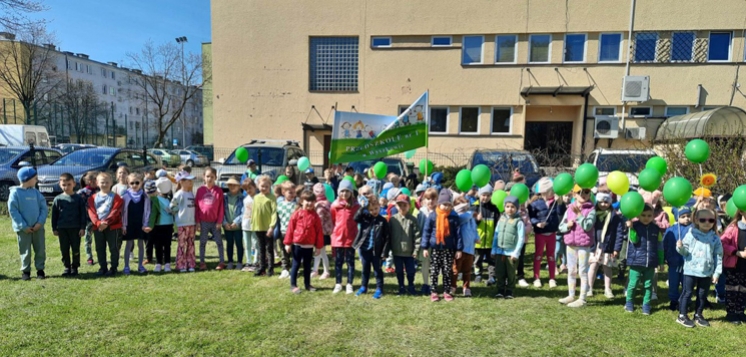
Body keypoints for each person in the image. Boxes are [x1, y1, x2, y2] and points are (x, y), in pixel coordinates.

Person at [675, 208, 723, 328]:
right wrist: (680, 247)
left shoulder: (715, 238)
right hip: (690, 270)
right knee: (687, 292)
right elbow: (685, 252)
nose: (707, 222)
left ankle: (698, 314)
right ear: (696, 220)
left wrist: (717, 273)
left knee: (702, 294)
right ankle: (682, 315)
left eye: (711, 220)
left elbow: (718, 256)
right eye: (703, 220)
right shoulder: (691, 234)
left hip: (706, 272)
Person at [617, 204, 662, 315]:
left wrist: (661, 261)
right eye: (643, 215)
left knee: (648, 285)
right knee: (633, 284)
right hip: (636, 261)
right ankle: (629, 303)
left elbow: (660, 247)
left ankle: (646, 305)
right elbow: (634, 240)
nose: (646, 218)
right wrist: (631, 228)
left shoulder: (656, 229)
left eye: (649, 215)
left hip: (650, 262)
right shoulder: (635, 226)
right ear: (638, 215)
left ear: (653, 216)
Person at [422, 189, 463, 302]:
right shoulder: (432, 216)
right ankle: (434, 291)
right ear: (439, 203)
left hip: (448, 249)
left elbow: (458, 234)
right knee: (434, 271)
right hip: (435, 248)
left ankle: (446, 291)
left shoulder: (453, 217)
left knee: (447, 271)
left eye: (448, 205)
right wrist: (425, 247)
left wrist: (459, 249)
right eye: (444, 204)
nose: (446, 207)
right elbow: (426, 231)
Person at [558, 186, 596, 308]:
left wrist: (579, 214)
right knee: (571, 271)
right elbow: (561, 227)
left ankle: (582, 299)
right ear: (574, 194)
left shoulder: (591, 209)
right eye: (579, 192)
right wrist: (567, 226)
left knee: (582, 272)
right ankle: (571, 295)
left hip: (583, 246)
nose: (583, 194)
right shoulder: (569, 208)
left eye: (586, 191)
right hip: (570, 245)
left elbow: (588, 226)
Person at [9, 167, 48, 280]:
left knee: (40, 249)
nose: (37, 180)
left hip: (38, 228)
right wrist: (23, 226)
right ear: (28, 179)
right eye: (35, 178)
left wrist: (40, 223)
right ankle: (26, 271)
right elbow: (13, 211)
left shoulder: (36, 193)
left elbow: (43, 208)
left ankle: (40, 270)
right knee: (25, 250)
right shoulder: (15, 193)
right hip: (23, 230)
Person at [282, 189, 324, 293]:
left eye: (312, 201)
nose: (309, 203)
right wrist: (287, 243)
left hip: (309, 246)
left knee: (307, 266)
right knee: (295, 265)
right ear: (301, 201)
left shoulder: (315, 216)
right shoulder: (296, 214)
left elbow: (319, 232)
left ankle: (307, 284)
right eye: (307, 200)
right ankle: (293, 285)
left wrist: (318, 247)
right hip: (297, 245)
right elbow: (290, 229)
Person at [587, 192, 624, 299]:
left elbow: (619, 233)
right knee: (593, 266)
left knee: (607, 268)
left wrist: (617, 248)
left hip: (608, 246)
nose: (603, 204)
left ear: (610, 202)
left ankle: (608, 288)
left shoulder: (615, 216)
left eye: (606, 202)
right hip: (595, 246)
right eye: (601, 202)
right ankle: (589, 287)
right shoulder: (593, 214)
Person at [352, 196, 390, 299]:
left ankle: (379, 289)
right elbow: (355, 218)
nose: (374, 211)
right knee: (365, 269)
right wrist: (362, 207)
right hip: (365, 249)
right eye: (371, 209)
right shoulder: (365, 218)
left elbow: (387, 238)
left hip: (376, 251)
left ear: (379, 207)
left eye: (376, 208)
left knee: (377, 270)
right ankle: (364, 286)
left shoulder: (382, 221)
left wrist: (384, 253)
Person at [87, 172, 124, 277]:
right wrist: (98, 223)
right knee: (100, 248)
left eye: (107, 182)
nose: (105, 184)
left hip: (113, 227)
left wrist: (106, 222)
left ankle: (113, 268)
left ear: (111, 182)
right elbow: (91, 212)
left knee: (114, 248)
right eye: (102, 182)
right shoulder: (92, 198)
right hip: (98, 227)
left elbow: (115, 211)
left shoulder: (116, 197)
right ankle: (103, 267)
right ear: (97, 183)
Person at [51, 173, 87, 277]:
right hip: (62, 228)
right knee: (64, 248)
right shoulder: (58, 199)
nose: (66, 187)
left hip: (75, 228)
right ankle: (67, 267)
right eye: (64, 185)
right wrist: (54, 228)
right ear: (60, 184)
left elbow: (82, 214)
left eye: (69, 184)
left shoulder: (78, 198)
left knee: (75, 248)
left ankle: (75, 267)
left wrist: (82, 227)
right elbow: (54, 215)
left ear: (74, 184)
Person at [528, 178, 560, 288]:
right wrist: (537, 223)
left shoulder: (556, 202)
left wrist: (559, 202)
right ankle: (536, 278)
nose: (553, 192)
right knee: (538, 255)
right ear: (545, 191)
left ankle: (552, 278)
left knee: (551, 256)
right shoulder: (535, 204)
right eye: (551, 190)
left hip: (552, 233)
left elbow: (561, 214)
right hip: (540, 234)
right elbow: (531, 217)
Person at [491, 196, 525, 299]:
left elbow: (521, 238)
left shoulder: (518, 221)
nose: (510, 209)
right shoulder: (501, 219)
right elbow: (496, 235)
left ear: (517, 208)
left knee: (510, 273)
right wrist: (494, 249)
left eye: (512, 207)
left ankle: (510, 290)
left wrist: (516, 253)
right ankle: (500, 290)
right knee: (500, 272)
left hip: (511, 253)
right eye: (507, 206)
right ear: (504, 207)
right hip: (499, 251)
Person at [331, 179, 360, 294]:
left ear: (351, 192)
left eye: (347, 191)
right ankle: (338, 283)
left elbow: (358, 220)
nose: (344, 194)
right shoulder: (335, 205)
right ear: (338, 192)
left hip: (350, 239)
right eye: (342, 191)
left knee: (350, 262)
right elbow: (333, 219)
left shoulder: (356, 206)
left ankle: (349, 284)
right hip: (338, 238)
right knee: (338, 262)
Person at [196, 167, 226, 271]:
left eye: (212, 177)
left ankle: (222, 261)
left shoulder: (219, 191)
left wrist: (219, 221)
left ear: (215, 178)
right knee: (202, 242)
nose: (209, 179)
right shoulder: (200, 191)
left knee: (219, 242)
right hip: (203, 222)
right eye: (207, 176)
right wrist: (198, 222)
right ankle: (202, 262)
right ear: (204, 177)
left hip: (215, 223)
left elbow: (221, 207)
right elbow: (196, 207)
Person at [390, 194, 421, 295]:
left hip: (409, 252)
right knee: (399, 271)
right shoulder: (393, 220)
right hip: (397, 251)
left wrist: (416, 250)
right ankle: (401, 287)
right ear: (396, 206)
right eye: (400, 205)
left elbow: (417, 236)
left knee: (410, 271)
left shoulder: (413, 220)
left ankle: (411, 286)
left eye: (405, 205)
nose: (402, 208)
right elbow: (389, 236)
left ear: (409, 206)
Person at [121, 172, 152, 275]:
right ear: (128, 183)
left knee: (141, 244)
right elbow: (123, 212)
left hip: (141, 224)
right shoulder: (125, 196)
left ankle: (140, 265)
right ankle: (126, 266)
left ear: (141, 183)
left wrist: (146, 223)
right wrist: (124, 225)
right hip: (129, 224)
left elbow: (147, 210)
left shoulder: (145, 196)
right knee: (129, 244)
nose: (134, 185)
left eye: (137, 182)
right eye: (132, 183)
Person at [720, 208, 746, 324]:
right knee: (732, 289)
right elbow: (723, 243)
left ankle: (740, 311)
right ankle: (731, 313)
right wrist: (737, 252)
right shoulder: (733, 227)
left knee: (743, 289)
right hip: (733, 265)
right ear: (741, 212)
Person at [663, 206, 692, 311]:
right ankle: (674, 300)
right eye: (683, 216)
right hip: (674, 262)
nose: (686, 218)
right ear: (677, 218)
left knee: (686, 284)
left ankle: (686, 302)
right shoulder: (671, 230)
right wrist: (665, 257)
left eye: (688, 216)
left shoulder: (693, 229)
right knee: (673, 282)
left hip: (687, 262)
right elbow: (665, 244)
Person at [452, 196, 479, 297]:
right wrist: (471, 212)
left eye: (466, 209)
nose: (466, 211)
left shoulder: (470, 217)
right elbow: (463, 217)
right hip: (459, 249)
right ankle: (453, 286)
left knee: (467, 271)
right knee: (455, 270)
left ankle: (466, 288)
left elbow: (474, 228)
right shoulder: (458, 217)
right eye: (463, 209)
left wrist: (477, 237)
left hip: (470, 249)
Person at [252, 175, 278, 276]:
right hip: (258, 227)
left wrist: (272, 227)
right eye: (262, 186)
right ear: (258, 186)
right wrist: (253, 225)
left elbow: (274, 213)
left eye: (266, 186)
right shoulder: (256, 197)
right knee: (261, 248)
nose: (264, 188)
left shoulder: (272, 198)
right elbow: (254, 212)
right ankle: (261, 268)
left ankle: (270, 269)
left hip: (268, 228)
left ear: (270, 186)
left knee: (269, 249)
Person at [171, 171, 197, 272]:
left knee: (191, 243)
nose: (190, 182)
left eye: (191, 180)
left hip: (192, 223)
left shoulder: (191, 193)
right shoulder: (179, 194)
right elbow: (172, 206)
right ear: (181, 182)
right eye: (188, 180)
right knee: (182, 244)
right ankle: (181, 265)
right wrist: (179, 213)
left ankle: (191, 264)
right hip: (182, 223)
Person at [473, 184, 499, 285]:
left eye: (488, 195)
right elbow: (470, 224)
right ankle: (478, 274)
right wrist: (477, 220)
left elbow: (497, 224)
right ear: (479, 195)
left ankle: (492, 276)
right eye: (483, 195)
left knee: (491, 260)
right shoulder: (474, 207)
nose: (485, 197)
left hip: (490, 240)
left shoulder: (494, 209)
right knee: (477, 260)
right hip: (478, 241)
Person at [148, 179, 175, 272]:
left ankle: (166, 263)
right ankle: (159, 263)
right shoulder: (157, 199)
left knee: (166, 245)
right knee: (160, 245)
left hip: (167, 225)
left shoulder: (168, 200)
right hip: (159, 225)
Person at [417, 188, 438, 294]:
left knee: (435, 264)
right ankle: (426, 283)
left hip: (436, 243)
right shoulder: (421, 212)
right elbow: (419, 227)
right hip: (424, 243)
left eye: (433, 198)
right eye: (428, 198)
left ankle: (433, 284)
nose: (430, 201)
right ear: (424, 200)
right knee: (425, 264)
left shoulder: (439, 211)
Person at [221, 177, 245, 270]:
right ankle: (230, 261)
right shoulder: (224, 197)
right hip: (227, 226)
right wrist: (224, 222)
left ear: (239, 186)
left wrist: (236, 222)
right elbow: (221, 211)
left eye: (234, 185)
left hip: (238, 227)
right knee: (229, 244)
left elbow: (244, 212)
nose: (231, 186)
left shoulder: (242, 198)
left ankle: (239, 262)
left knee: (239, 244)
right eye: (230, 185)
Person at [276, 181, 298, 279]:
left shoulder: (297, 205)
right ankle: (285, 269)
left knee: (294, 252)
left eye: (294, 192)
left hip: (294, 233)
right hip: (283, 232)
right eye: (290, 192)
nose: (293, 194)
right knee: (283, 251)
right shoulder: (279, 205)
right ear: (283, 192)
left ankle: (294, 269)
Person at [77, 171, 99, 266]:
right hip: (88, 220)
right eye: (97, 180)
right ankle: (89, 257)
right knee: (88, 239)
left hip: (99, 220)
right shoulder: (82, 192)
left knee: (100, 239)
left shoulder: (99, 190)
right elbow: (79, 206)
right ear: (90, 181)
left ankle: (101, 256)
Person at [311, 183, 332, 279]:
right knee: (318, 252)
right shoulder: (326, 202)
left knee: (322, 252)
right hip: (321, 231)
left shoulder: (321, 205)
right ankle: (315, 270)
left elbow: (319, 220)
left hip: (321, 232)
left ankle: (326, 271)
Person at [240, 178, 258, 271]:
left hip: (255, 225)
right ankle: (248, 262)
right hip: (245, 225)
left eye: (250, 188)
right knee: (247, 245)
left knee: (255, 244)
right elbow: (244, 212)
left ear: (255, 187)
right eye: (246, 189)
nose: (248, 191)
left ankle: (255, 262)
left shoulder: (258, 198)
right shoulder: (245, 199)